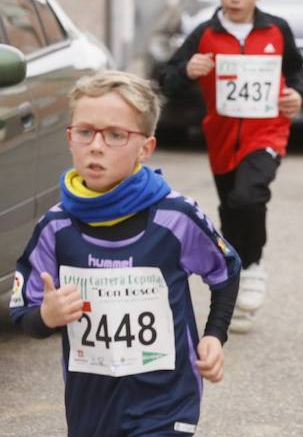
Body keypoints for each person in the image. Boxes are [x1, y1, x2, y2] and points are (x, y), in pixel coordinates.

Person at [9, 71, 241, 436]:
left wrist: (213, 336)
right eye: (85, 132)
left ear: (145, 148)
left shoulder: (175, 217)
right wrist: (47, 316)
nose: (96, 146)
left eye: (116, 135)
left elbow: (226, 271)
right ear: (70, 139)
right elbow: (24, 313)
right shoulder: (56, 227)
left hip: (166, 403)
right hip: (91, 406)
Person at [161, 0, 303, 333]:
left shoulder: (277, 30)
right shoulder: (205, 34)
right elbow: (167, 80)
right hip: (222, 138)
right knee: (230, 209)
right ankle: (237, 284)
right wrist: (188, 70)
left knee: (249, 196)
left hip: (267, 132)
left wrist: (297, 96)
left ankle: (254, 265)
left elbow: (295, 73)